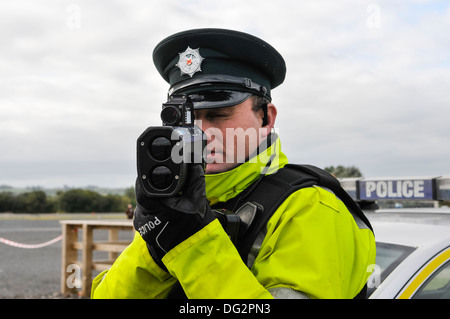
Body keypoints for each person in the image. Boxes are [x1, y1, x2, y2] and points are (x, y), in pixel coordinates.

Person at [91, 28, 376, 299]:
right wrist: (154, 249)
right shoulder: (177, 204)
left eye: (218, 114)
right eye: (187, 120)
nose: (200, 134)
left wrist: (190, 244)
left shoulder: (311, 209)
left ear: (266, 117)